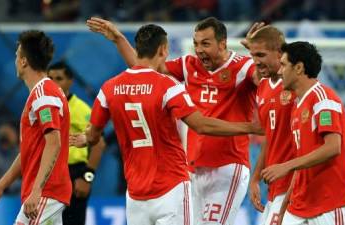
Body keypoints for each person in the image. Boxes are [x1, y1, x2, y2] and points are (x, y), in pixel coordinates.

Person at [75, 24, 261, 225]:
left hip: (228, 165)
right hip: (194, 168)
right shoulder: (188, 65)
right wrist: (120, 40)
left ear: (223, 43)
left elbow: (267, 80)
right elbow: (145, 72)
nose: (199, 50)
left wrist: (258, 55)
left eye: (205, 44)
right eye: (196, 44)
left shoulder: (243, 66)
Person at [0, 30, 72, 225]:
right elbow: (28, 152)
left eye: (16, 56)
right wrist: (0, 187)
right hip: (47, 192)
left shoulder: (43, 95)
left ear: (23, 61)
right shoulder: (43, 93)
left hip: (45, 193)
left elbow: (53, 143)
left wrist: (37, 190)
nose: (15, 60)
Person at [261, 41, 345, 224]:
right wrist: (282, 210)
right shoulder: (297, 106)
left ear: (299, 68)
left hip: (329, 203)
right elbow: (301, 163)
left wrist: (286, 165)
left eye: (283, 65)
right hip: (299, 206)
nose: (279, 72)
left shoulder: (323, 98)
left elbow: (333, 147)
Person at [241, 24, 297, 225]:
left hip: (296, 187)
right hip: (275, 188)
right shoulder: (263, 85)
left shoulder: (297, 85)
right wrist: (255, 178)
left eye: (261, 55)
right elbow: (270, 138)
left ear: (280, 53)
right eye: (253, 55)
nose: (255, 61)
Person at [47, 61, 106, 225]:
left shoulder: (82, 109)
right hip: (48, 172)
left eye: (59, 78)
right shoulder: (43, 107)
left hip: (74, 174)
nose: (54, 83)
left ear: (70, 81)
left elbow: (99, 144)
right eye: (50, 78)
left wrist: (86, 178)